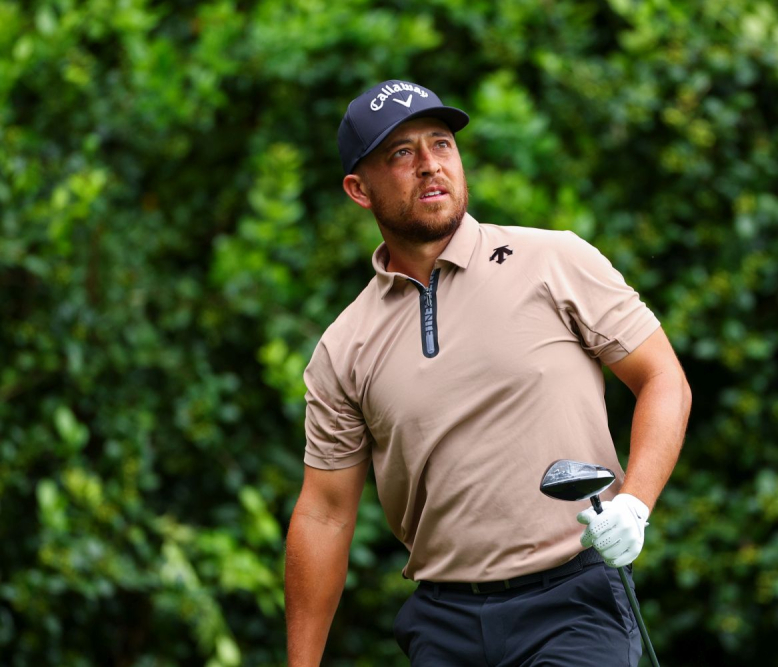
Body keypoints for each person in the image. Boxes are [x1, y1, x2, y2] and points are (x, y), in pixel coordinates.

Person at [284, 79, 692, 667]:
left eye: (441, 144)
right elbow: (324, 512)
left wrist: (635, 502)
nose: (430, 166)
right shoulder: (344, 346)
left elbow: (663, 378)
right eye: (401, 153)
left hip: (572, 603)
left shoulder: (554, 261)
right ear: (358, 189)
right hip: (443, 625)